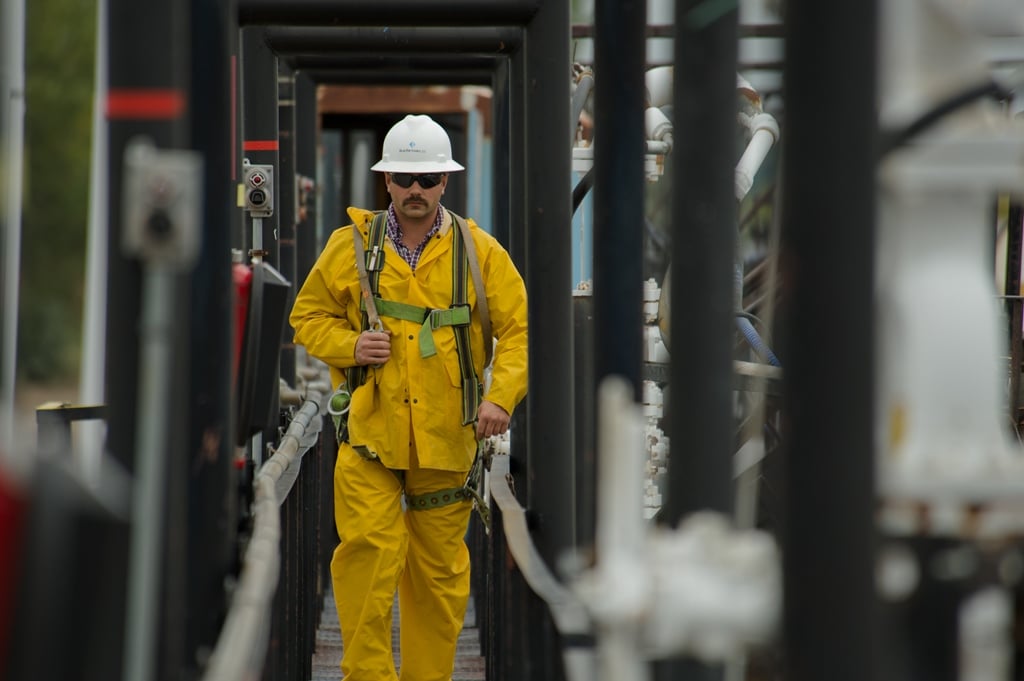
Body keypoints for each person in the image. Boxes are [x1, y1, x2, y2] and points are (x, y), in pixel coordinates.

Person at [290, 114, 528, 681]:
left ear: (446, 181)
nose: (415, 190)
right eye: (404, 178)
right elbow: (307, 316)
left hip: (449, 441)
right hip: (369, 439)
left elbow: (519, 330)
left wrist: (502, 398)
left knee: (439, 580)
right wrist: (351, 345)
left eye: (427, 179)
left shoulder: (480, 253)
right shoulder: (350, 247)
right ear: (387, 182)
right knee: (367, 559)